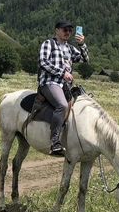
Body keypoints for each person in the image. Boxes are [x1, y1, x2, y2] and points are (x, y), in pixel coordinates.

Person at [38, 20, 89, 156]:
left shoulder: (70, 48)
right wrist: (62, 73)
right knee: (62, 105)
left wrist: (82, 44)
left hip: (65, 86)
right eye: (64, 30)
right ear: (57, 30)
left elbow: (85, 59)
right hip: (50, 82)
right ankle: (54, 141)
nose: (68, 32)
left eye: (70, 30)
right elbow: (43, 62)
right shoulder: (49, 44)